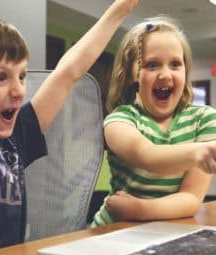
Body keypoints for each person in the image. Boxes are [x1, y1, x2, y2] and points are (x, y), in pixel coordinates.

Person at [0, 0, 138, 255]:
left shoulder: (18, 135)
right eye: (1, 77)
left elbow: (69, 71)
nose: (18, 91)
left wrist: (121, 8)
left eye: (22, 76)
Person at [91, 16, 216, 228]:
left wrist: (139, 210)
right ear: (131, 74)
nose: (165, 74)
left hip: (164, 231)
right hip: (113, 231)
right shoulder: (120, 120)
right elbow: (146, 155)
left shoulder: (204, 120)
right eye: (152, 64)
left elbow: (191, 198)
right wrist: (197, 152)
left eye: (175, 64)